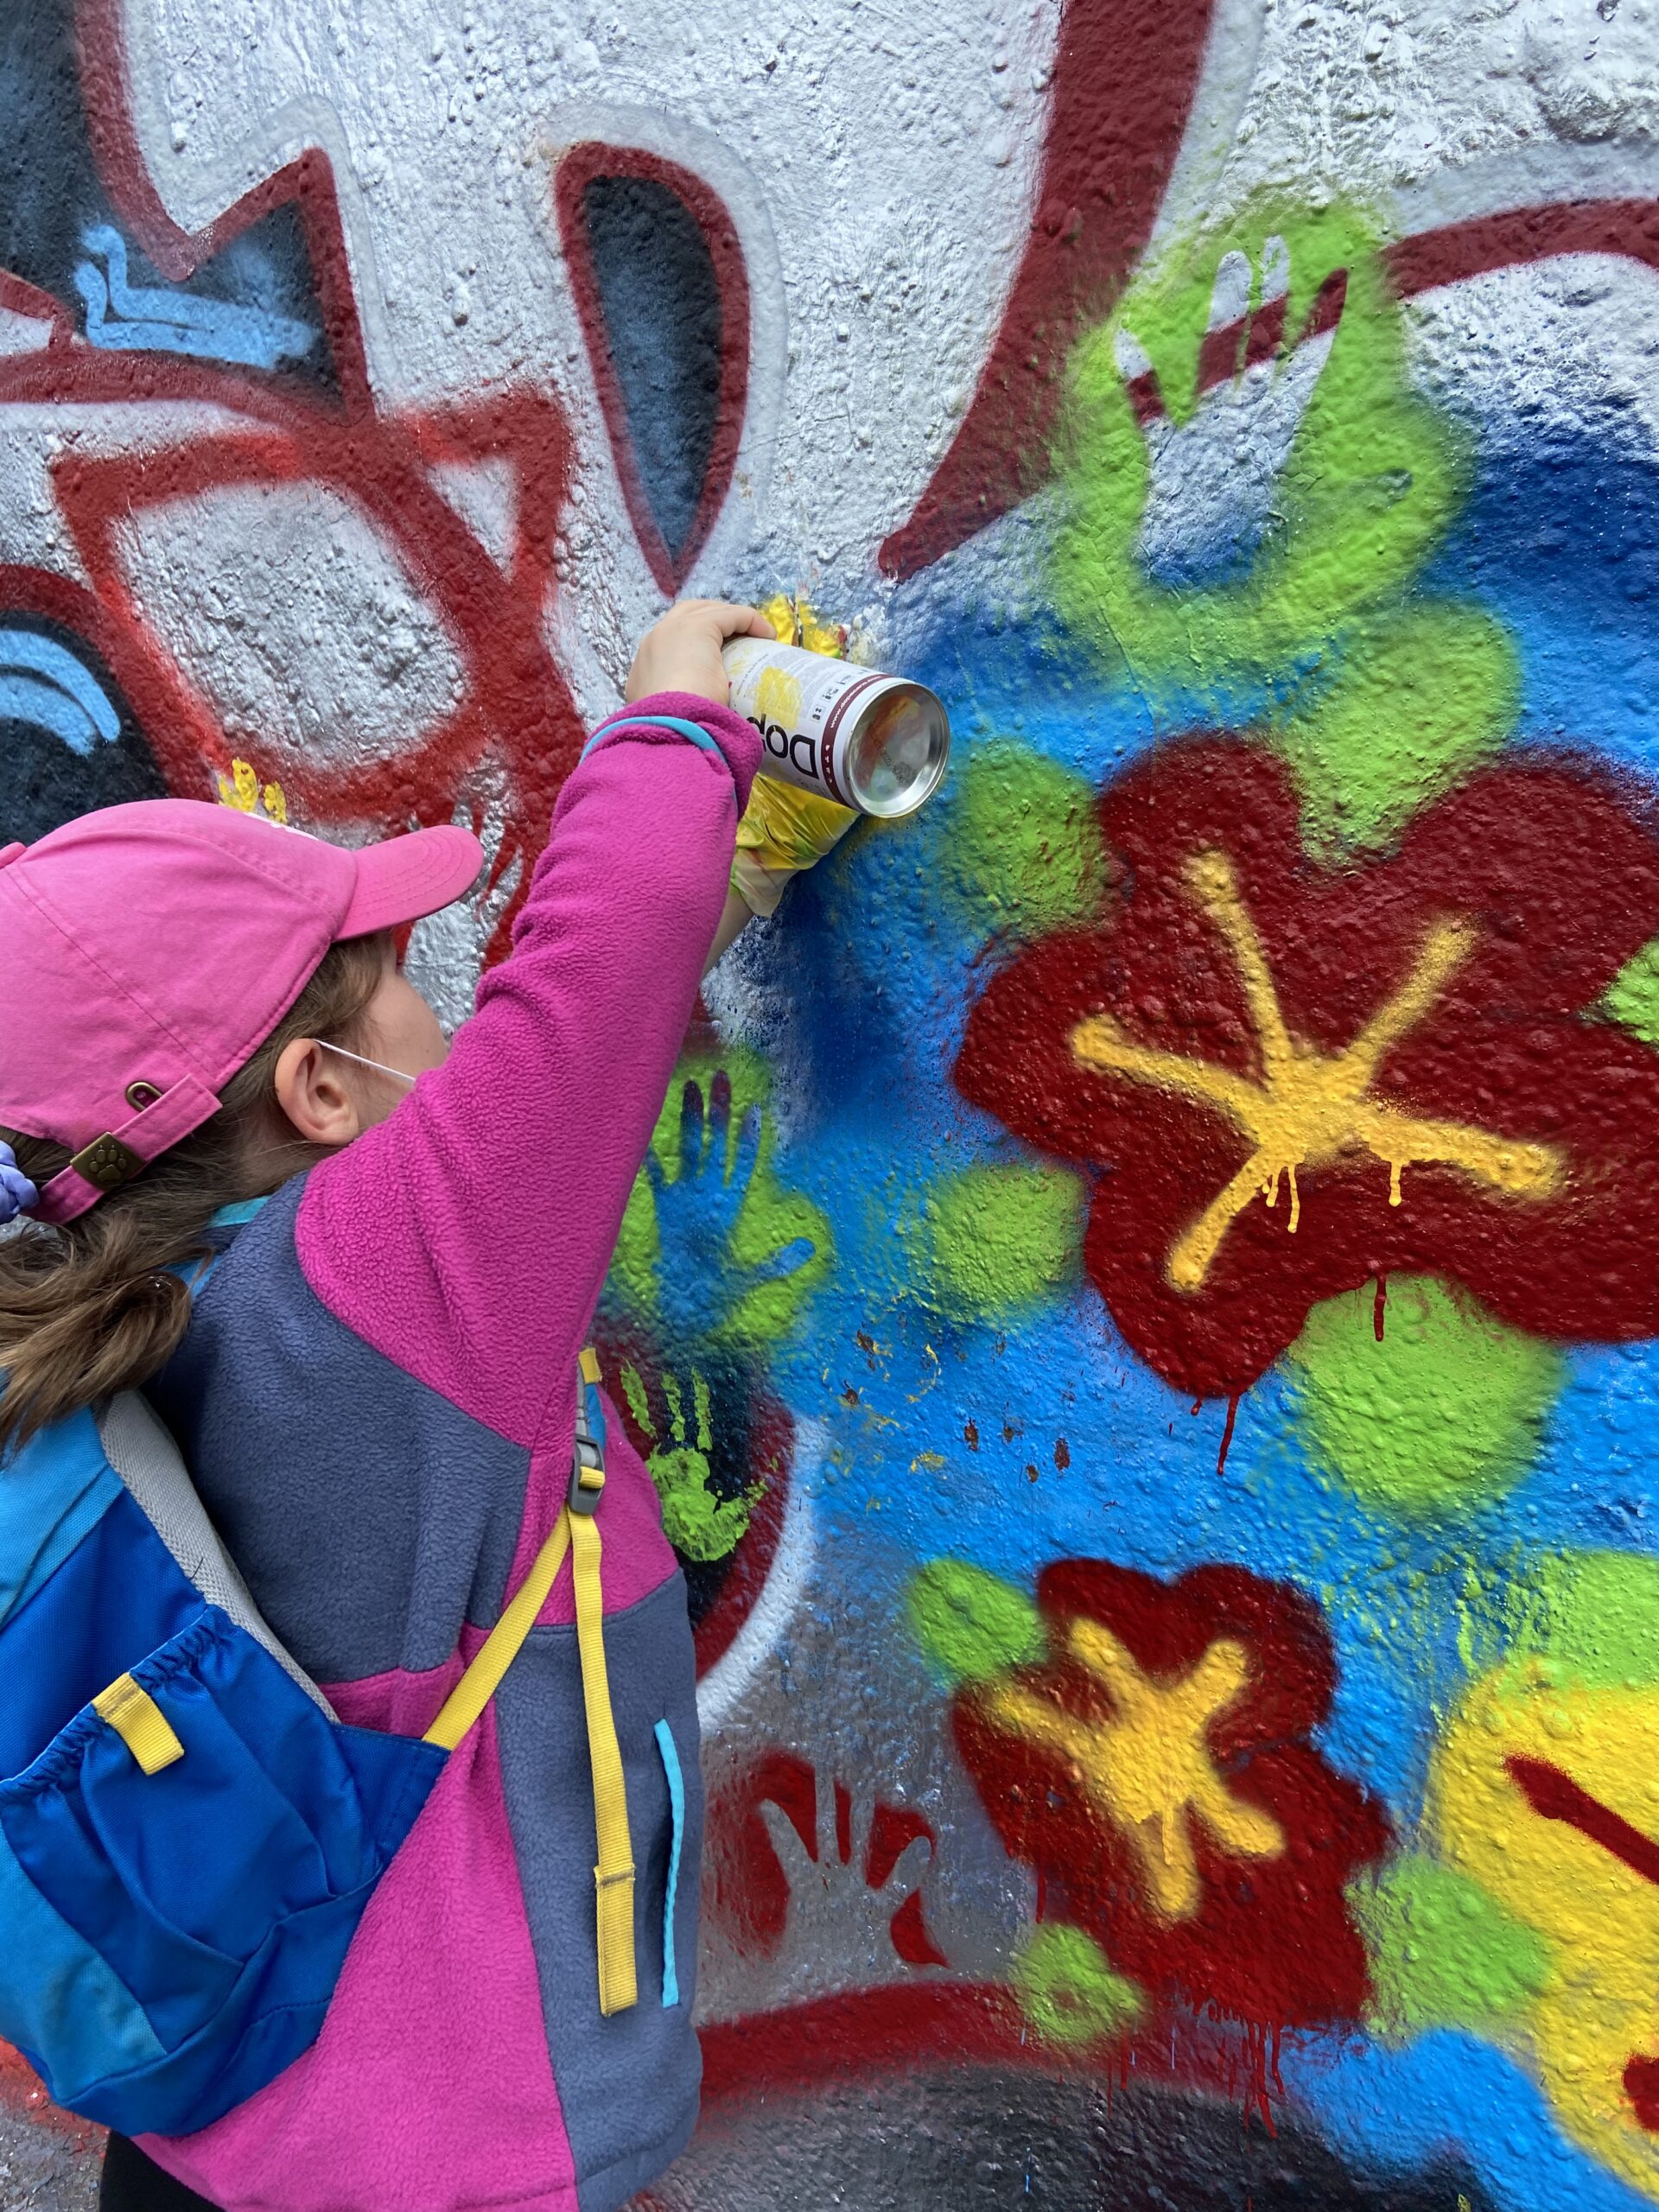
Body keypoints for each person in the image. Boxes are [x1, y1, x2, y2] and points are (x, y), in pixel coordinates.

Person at [0, 601, 852, 2212]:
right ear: (320, 1094)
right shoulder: (365, 1295)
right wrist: (680, 720)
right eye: (393, 980)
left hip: (217, 2141)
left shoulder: (103, 1283)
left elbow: (539, 1110)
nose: (437, 1012)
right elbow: (580, 998)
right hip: (453, 2155)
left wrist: (739, 871)